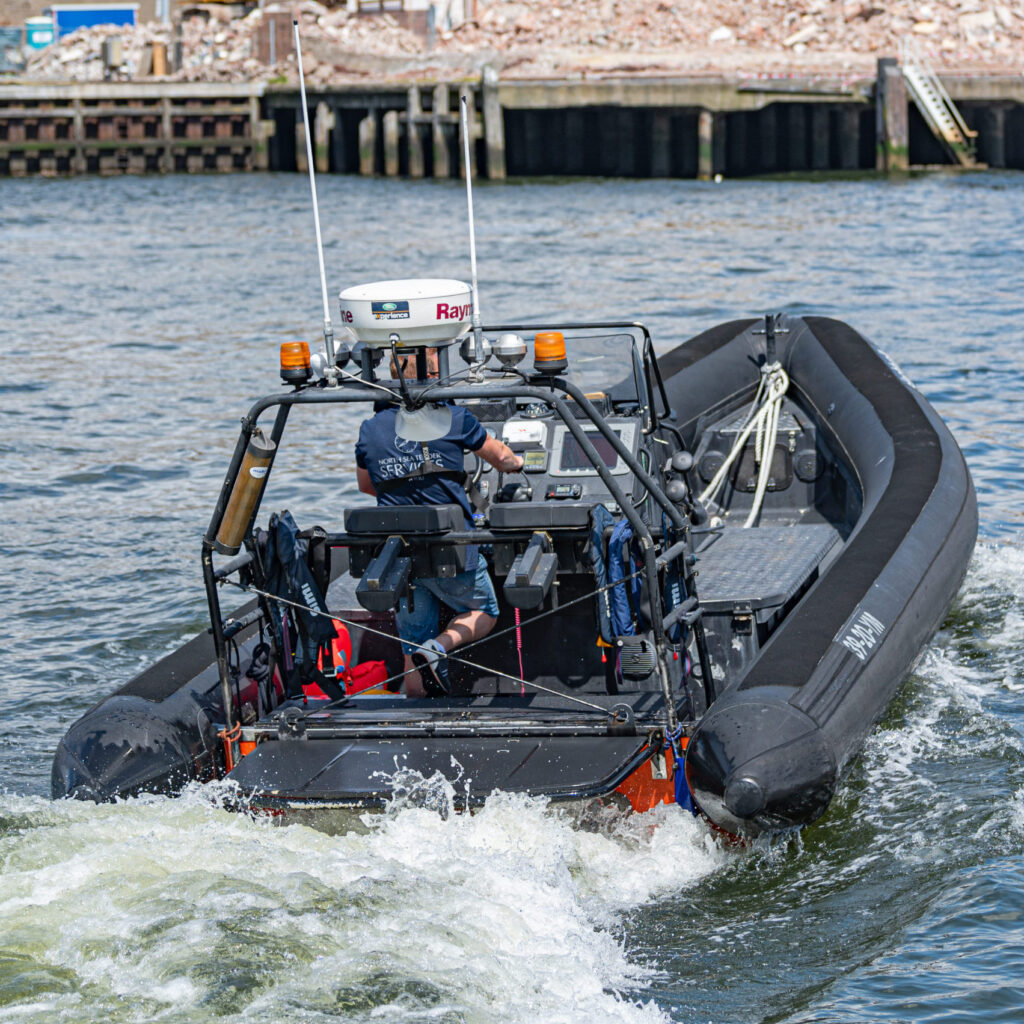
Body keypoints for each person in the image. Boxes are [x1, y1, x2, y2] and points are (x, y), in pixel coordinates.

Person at [354, 348, 524, 697]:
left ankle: (418, 710)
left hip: (400, 558)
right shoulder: (455, 418)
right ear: (436, 375)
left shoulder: (370, 429)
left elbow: (366, 485)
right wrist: (519, 464)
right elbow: (501, 457)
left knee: (410, 643)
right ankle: (439, 648)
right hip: (453, 552)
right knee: (485, 610)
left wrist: (406, 492)